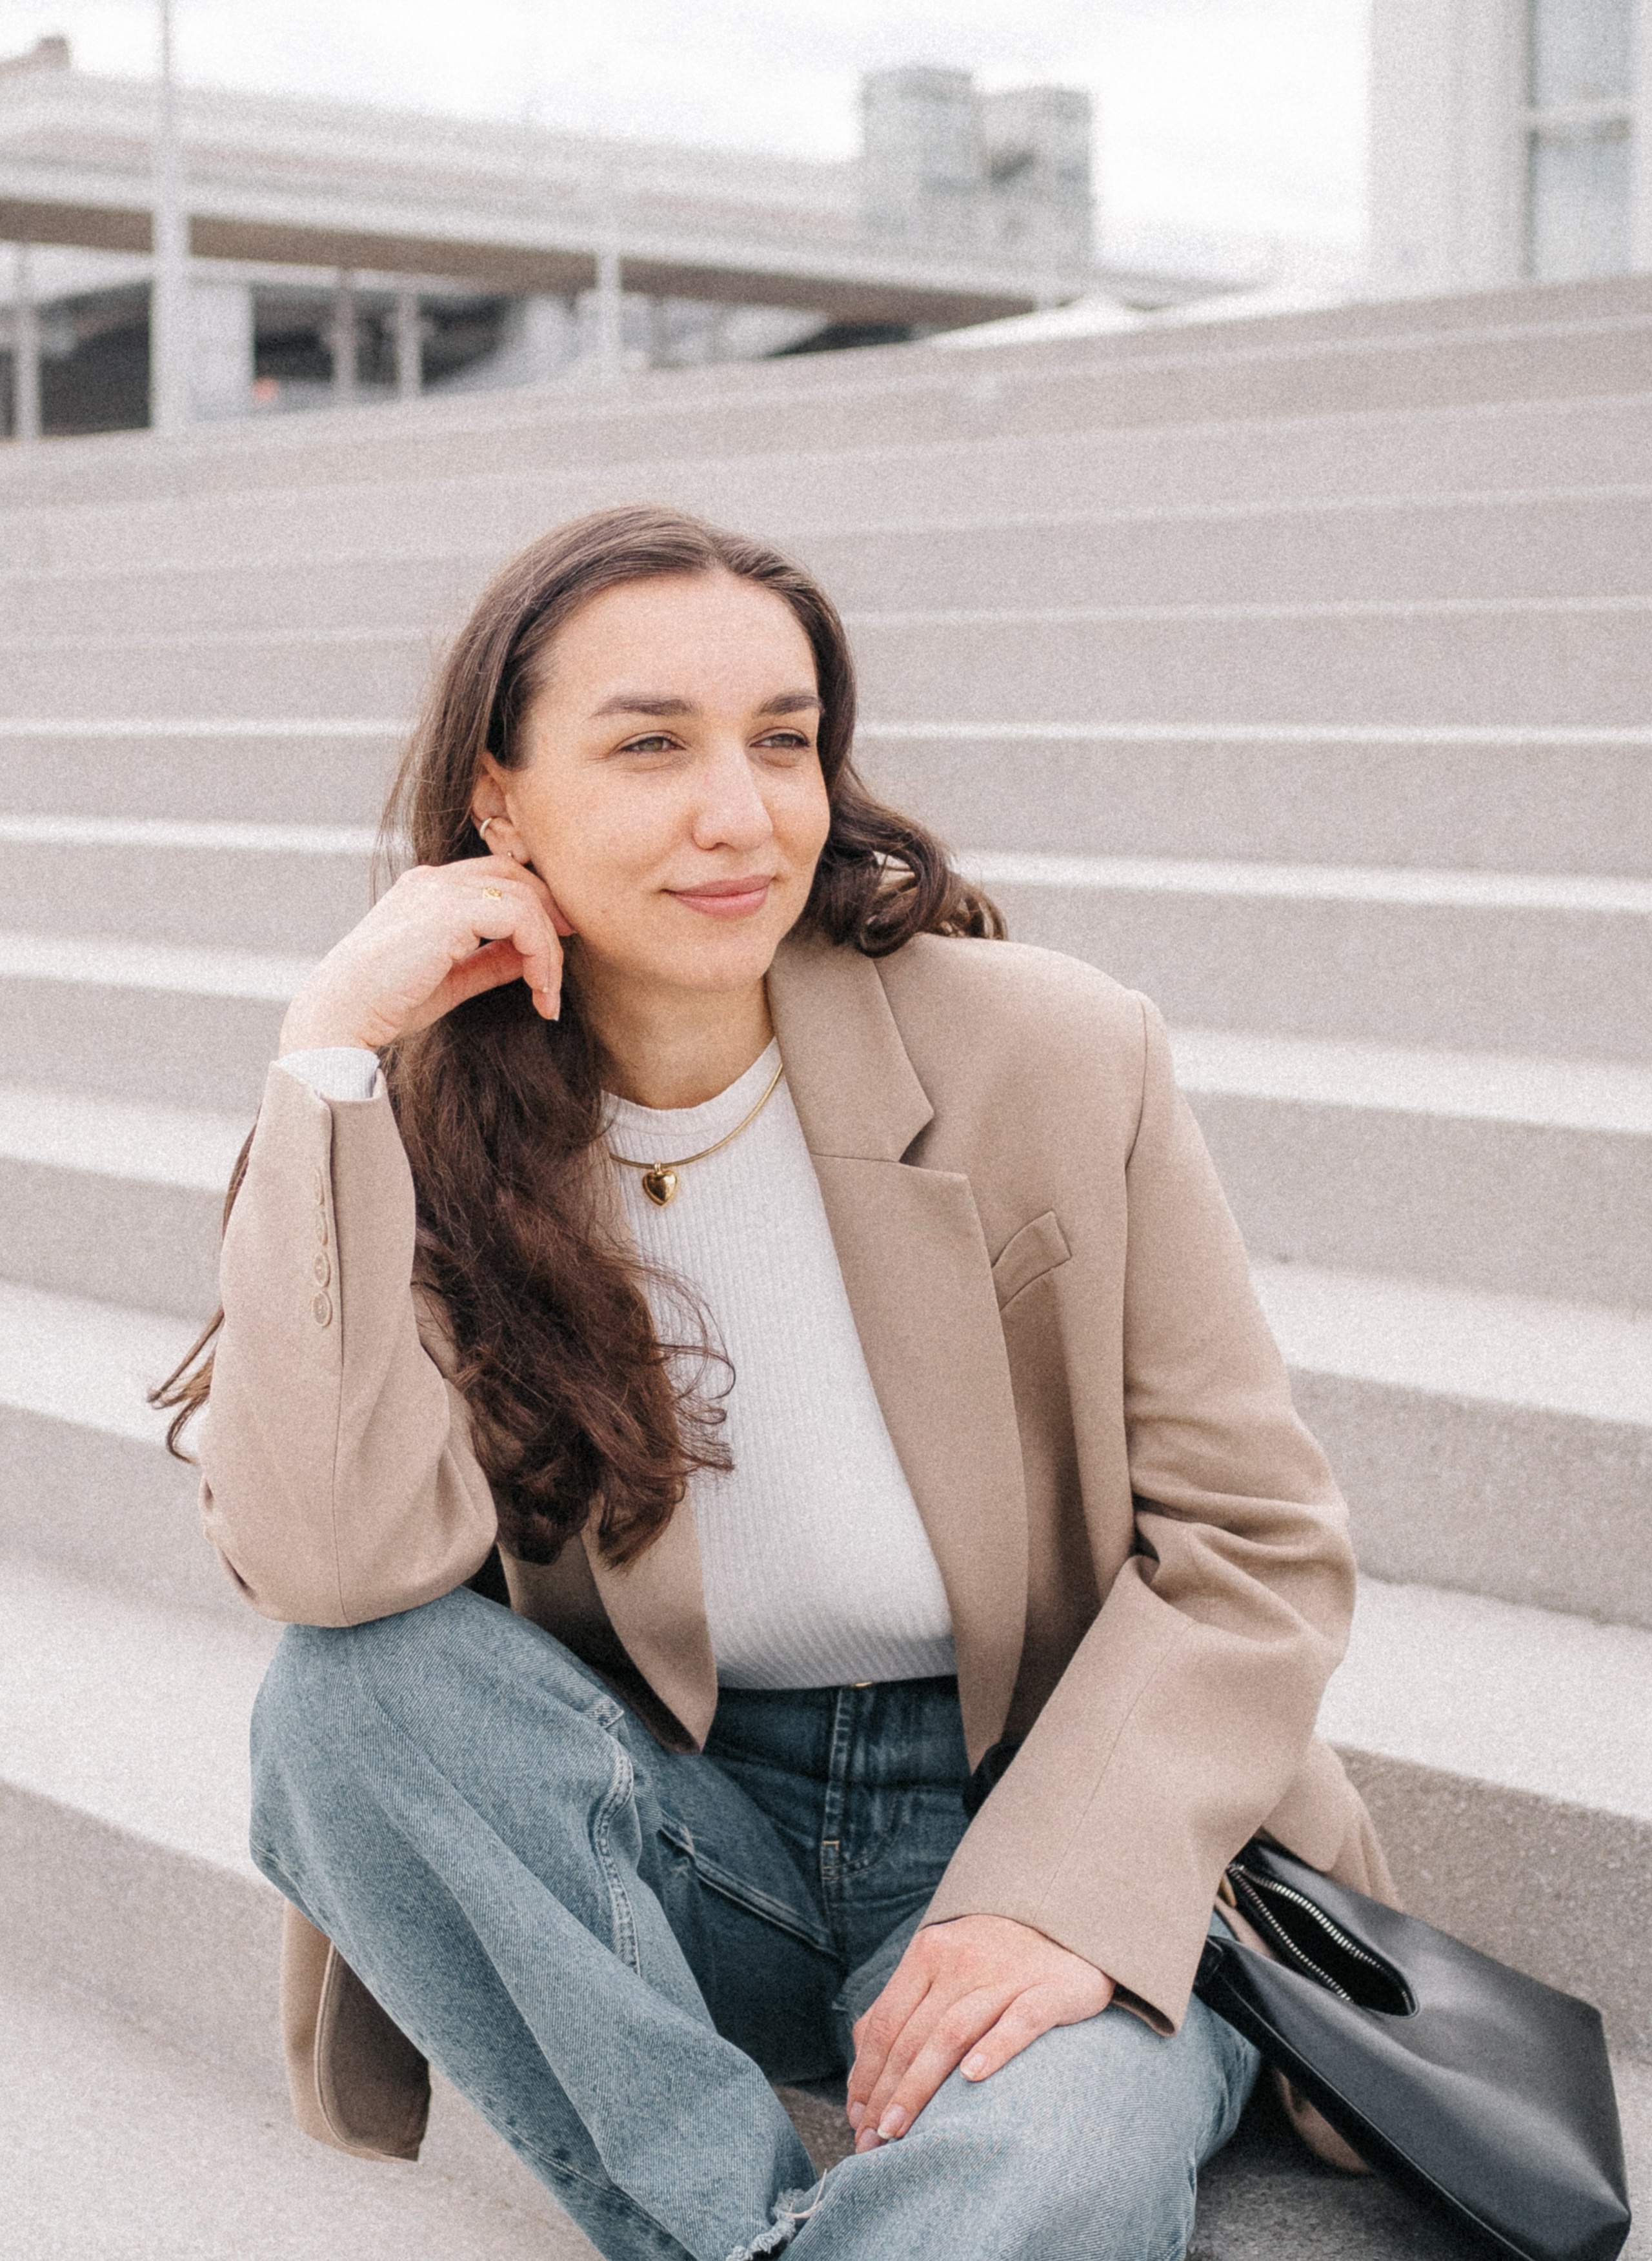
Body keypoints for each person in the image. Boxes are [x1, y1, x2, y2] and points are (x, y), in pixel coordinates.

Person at [159, 504, 1392, 2261]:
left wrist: (1055, 1901)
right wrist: (330, 1063)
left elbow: (1256, 1545)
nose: (740, 813)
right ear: (498, 801)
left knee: (1051, 2178)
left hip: (1045, 1794)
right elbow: (337, 1566)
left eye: (784, 742)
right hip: (688, 1826)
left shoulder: (1051, 1050)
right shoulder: (426, 1122)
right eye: (652, 743)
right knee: (337, 1698)